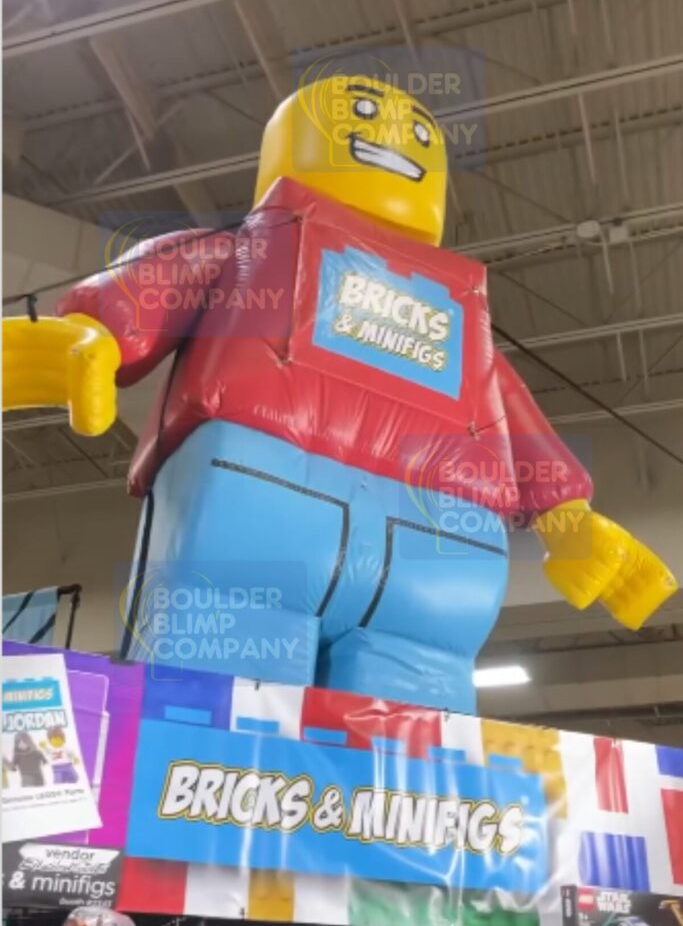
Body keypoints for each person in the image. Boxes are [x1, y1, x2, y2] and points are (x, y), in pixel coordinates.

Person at [2, 75, 676, 713]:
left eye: (419, 132)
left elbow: (512, 417)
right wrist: (93, 334)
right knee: (227, 693)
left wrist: (569, 520)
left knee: (398, 725)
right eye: (360, 114)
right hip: (312, 515)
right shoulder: (253, 253)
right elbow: (158, 282)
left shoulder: (455, 318)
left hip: (406, 538)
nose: (395, 137)